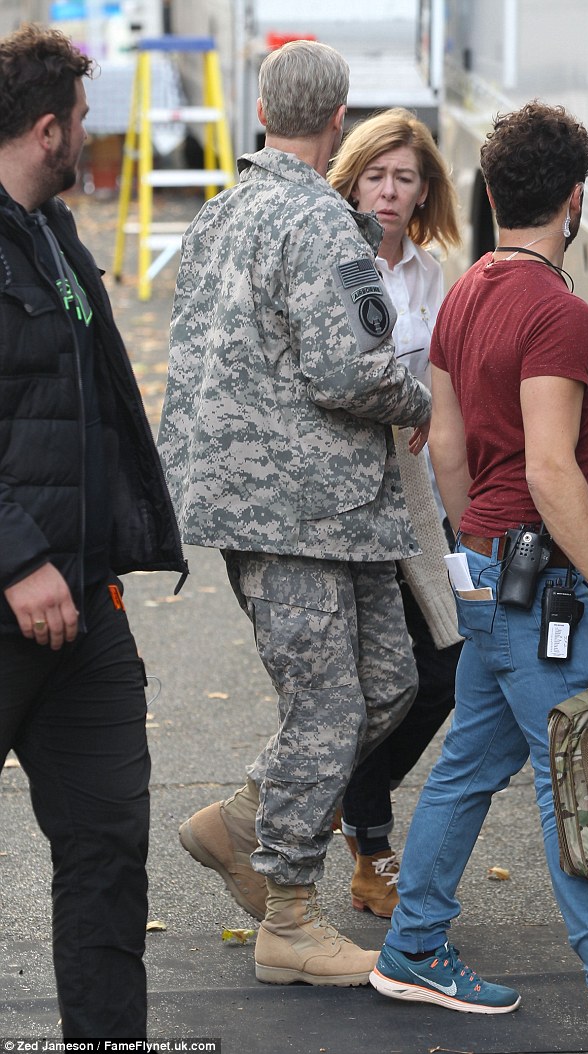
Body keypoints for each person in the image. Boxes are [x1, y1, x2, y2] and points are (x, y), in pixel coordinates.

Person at [158, 40, 431, 987]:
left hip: (315, 509)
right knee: (330, 707)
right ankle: (289, 916)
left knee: (390, 682)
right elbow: (350, 368)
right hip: (298, 512)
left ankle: (239, 824)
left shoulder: (221, 212)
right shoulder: (320, 225)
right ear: (339, 123)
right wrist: (422, 400)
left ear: (265, 110)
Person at [369, 100, 588, 1052]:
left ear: (489, 191)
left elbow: (445, 447)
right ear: (575, 199)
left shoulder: (468, 289)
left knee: (471, 765)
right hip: (546, 585)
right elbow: (551, 471)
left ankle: (410, 950)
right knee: (582, 785)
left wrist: (471, 545)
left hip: (486, 568)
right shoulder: (557, 313)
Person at [0, 24, 187, 1040]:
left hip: (84, 610)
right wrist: (16, 556)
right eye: (80, 121)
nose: (90, 139)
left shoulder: (53, 230)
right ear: (45, 129)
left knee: (110, 848)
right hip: (14, 595)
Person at [327, 108, 462, 918]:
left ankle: (344, 791)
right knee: (369, 678)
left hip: (415, 496)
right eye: (375, 173)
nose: (387, 189)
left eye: (403, 177)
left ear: (423, 192)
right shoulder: (333, 258)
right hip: (343, 499)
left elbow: (441, 402)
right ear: (354, 176)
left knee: (443, 670)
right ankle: (371, 848)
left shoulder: (431, 274)